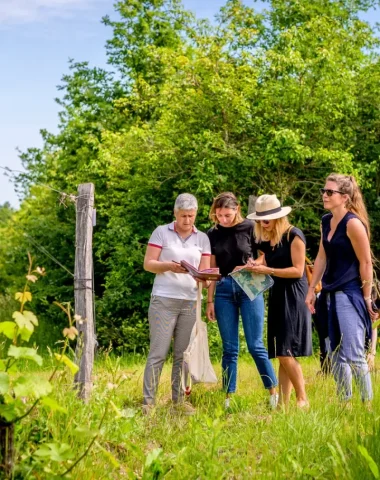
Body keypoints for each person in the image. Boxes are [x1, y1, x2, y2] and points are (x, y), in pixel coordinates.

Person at [305, 173, 377, 403]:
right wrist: (311, 291)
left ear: (344, 197)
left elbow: (366, 263)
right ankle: (344, 403)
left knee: (354, 354)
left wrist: (366, 298)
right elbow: (321, 257)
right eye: (323, 191)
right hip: (328, 293)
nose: (324, 195)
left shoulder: (353, 223)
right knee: (334, 352)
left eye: (329, 192)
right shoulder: (326, 221)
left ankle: (366, 407)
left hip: (350, 293)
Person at [206, 192, 278, 410]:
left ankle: (273, 393)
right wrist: (209, 301)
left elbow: (265, 256)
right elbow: (212, 269)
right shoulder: (213, 233)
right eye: (218, 215)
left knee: (256, 345)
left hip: (249, 286)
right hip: (224, 289)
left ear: (237, 208)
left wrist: (250, 265)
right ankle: (228, 398)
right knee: (229, 349)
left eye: (227, 214)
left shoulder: (250, 227)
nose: (223, 220)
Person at [142, 193, 211, 415]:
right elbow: (149, 264)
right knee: (158, 352)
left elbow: (205, 271)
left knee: (183, 355)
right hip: (164, 298)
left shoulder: (202, 238)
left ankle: (178, 401)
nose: (187, 220)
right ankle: (148, 402)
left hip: (190, 300)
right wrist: (170, 266)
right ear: (175, 213)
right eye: (183, 216)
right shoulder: (162, 232)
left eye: (191, 216)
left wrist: (206, 279)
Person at [247, 194, 312, 409]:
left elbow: (298, 270)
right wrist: (252, 266)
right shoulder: (266, 239)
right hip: (277, 294)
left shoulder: (294, 235)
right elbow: (263, 260)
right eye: (260, 220)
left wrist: (268, 270)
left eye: (267, 219)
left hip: (294, 295)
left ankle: (302, 399)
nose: (263, 223)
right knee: (281, 352)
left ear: (277, 217)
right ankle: (284, 405)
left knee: (286, 351)